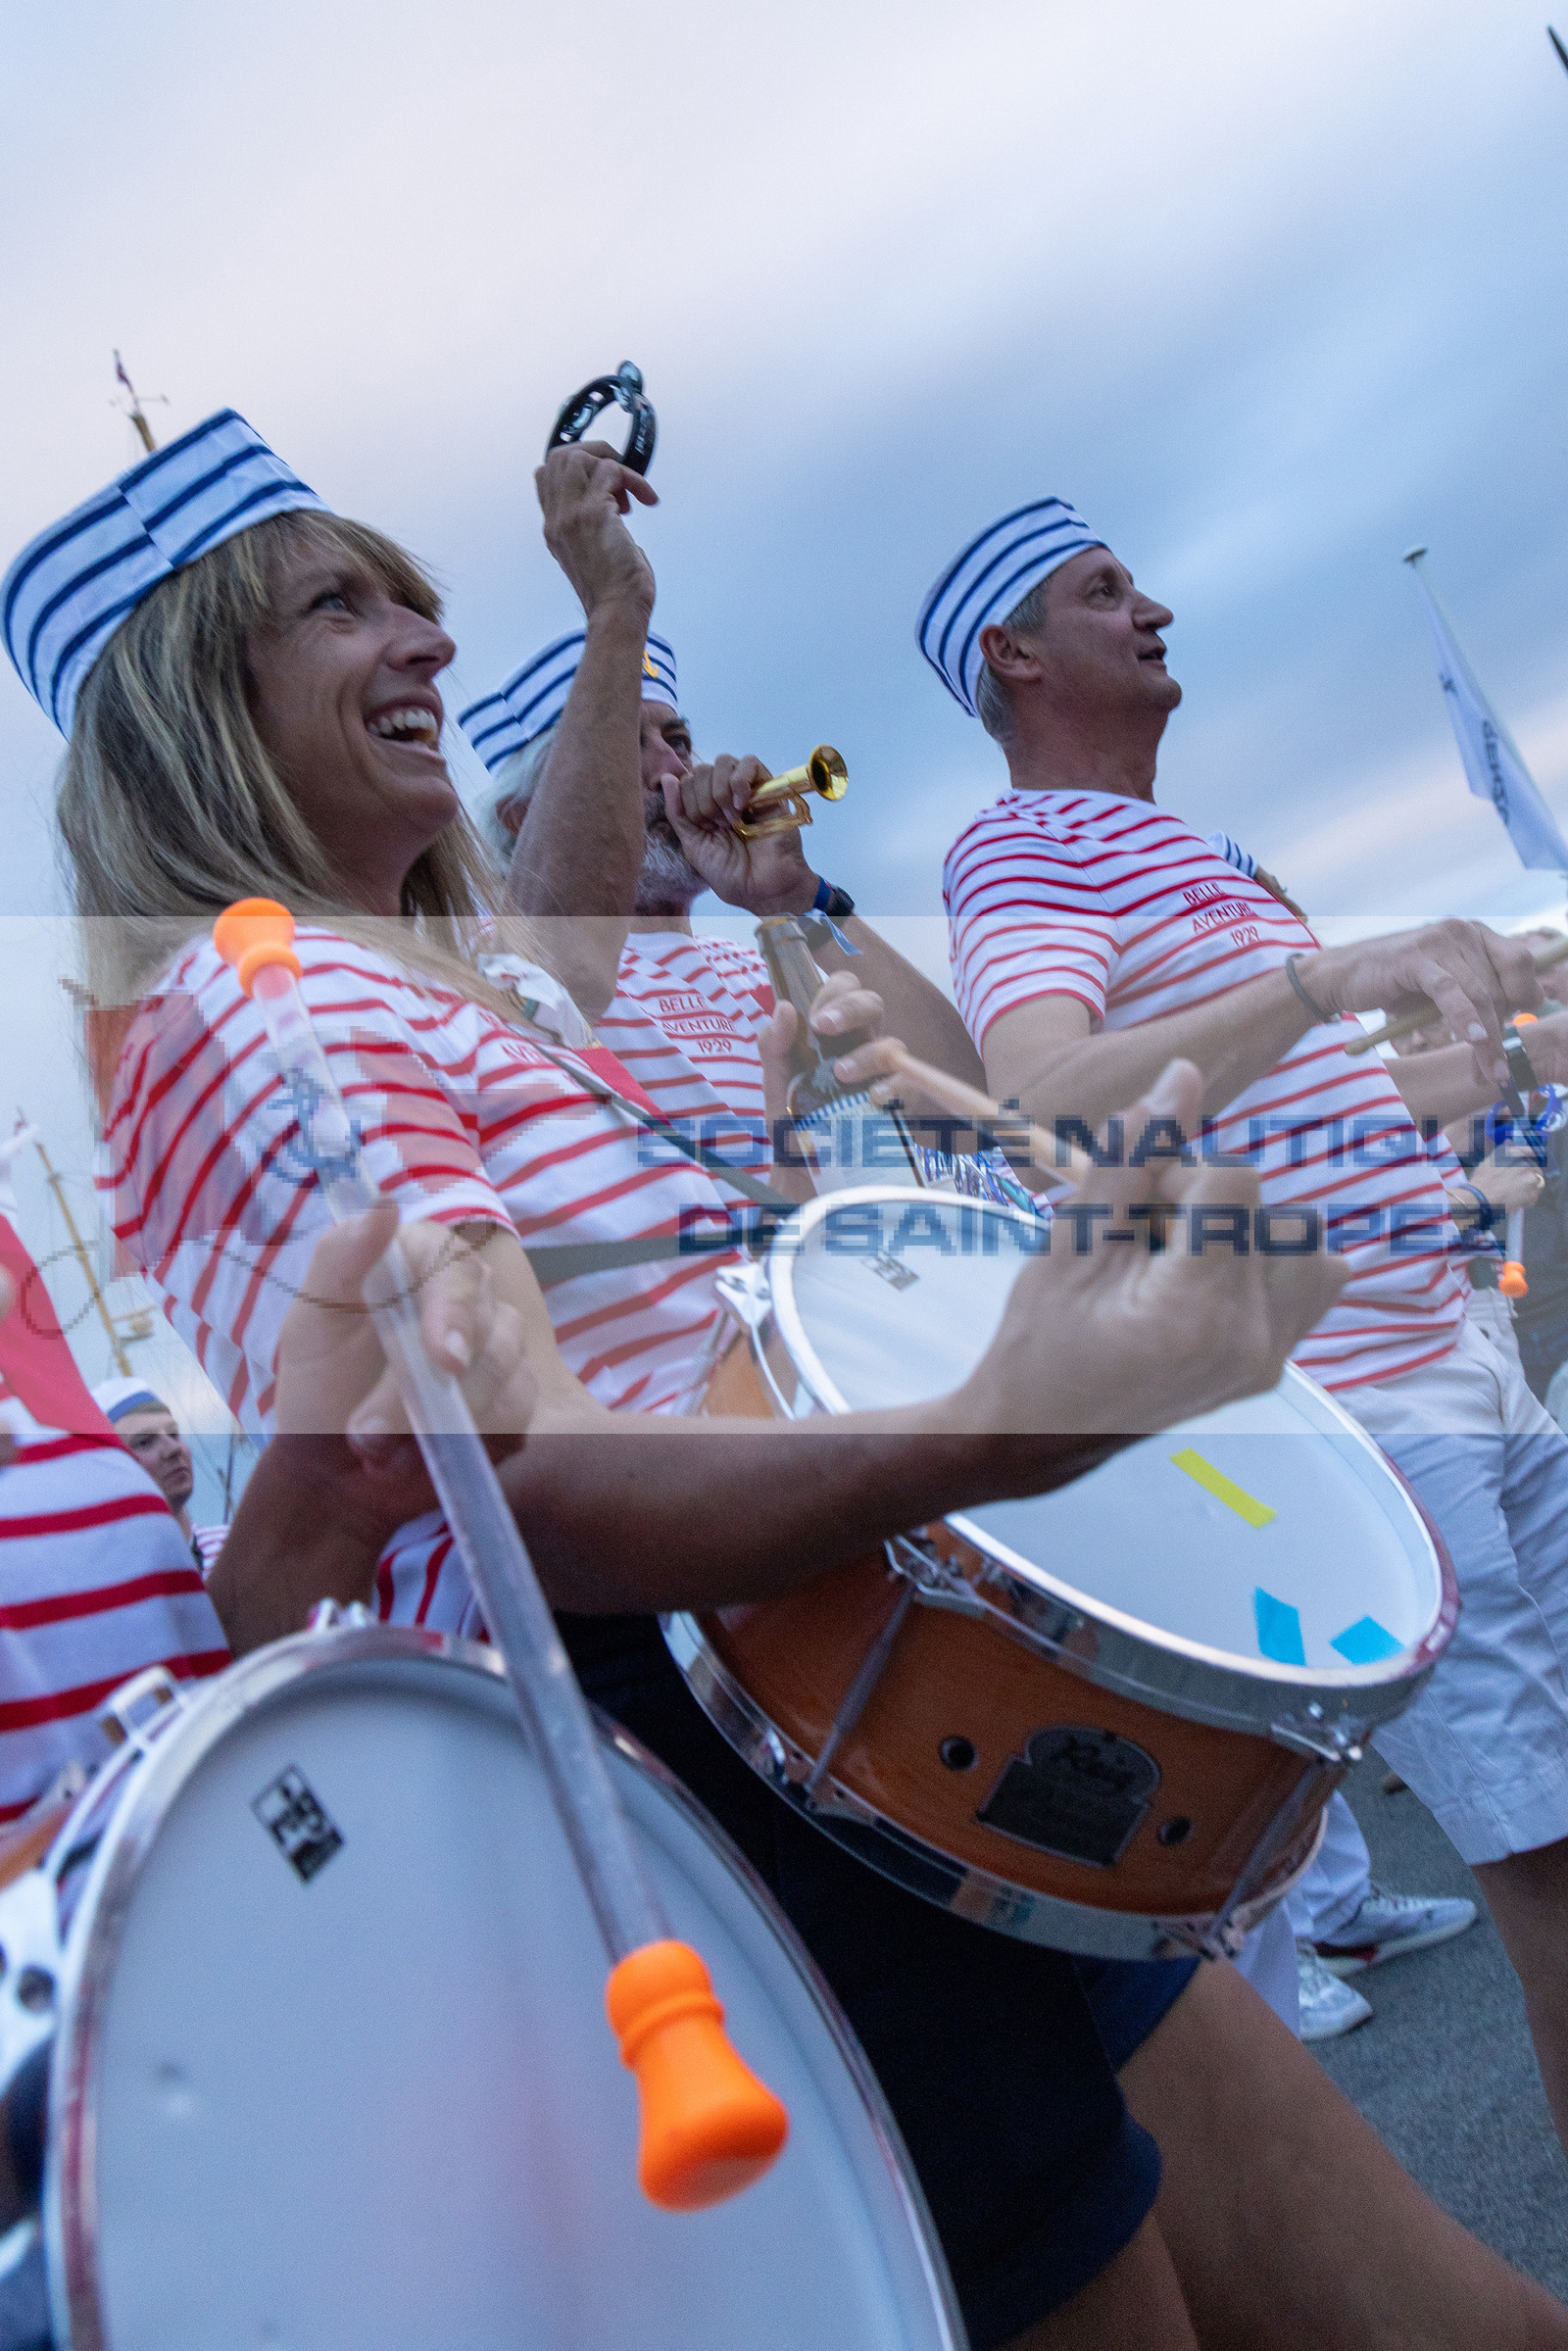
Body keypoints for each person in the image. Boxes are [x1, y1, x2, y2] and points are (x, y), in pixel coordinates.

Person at [8, 414, 1563, 2349]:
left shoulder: (423, 984)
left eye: (410, 595)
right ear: (193, 707)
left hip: (850, 1690)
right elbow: (527, 1494)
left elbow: (592, 956)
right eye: (341, 606)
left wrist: (618, 616)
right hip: (708, 1753)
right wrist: (995, 1420)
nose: (422, 638)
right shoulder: (258, 1009)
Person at [924, 491, 1568, 2152]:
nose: (1153, 610)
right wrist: (1322, 978)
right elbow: (1045, 1094)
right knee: (1547, 1857)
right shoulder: (1020, 845)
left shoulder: (1199, 853)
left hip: (1465, 1354)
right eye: (1104, 590)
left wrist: (1526, 1040)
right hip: (1363, 1404)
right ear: (1014, 654)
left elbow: (1344, 1094)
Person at [89, 1377, 227, 1575]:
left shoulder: (238, 1549)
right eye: (145, 1442)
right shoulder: (111, 1580)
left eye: (173, 1434)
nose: (173, 1449)